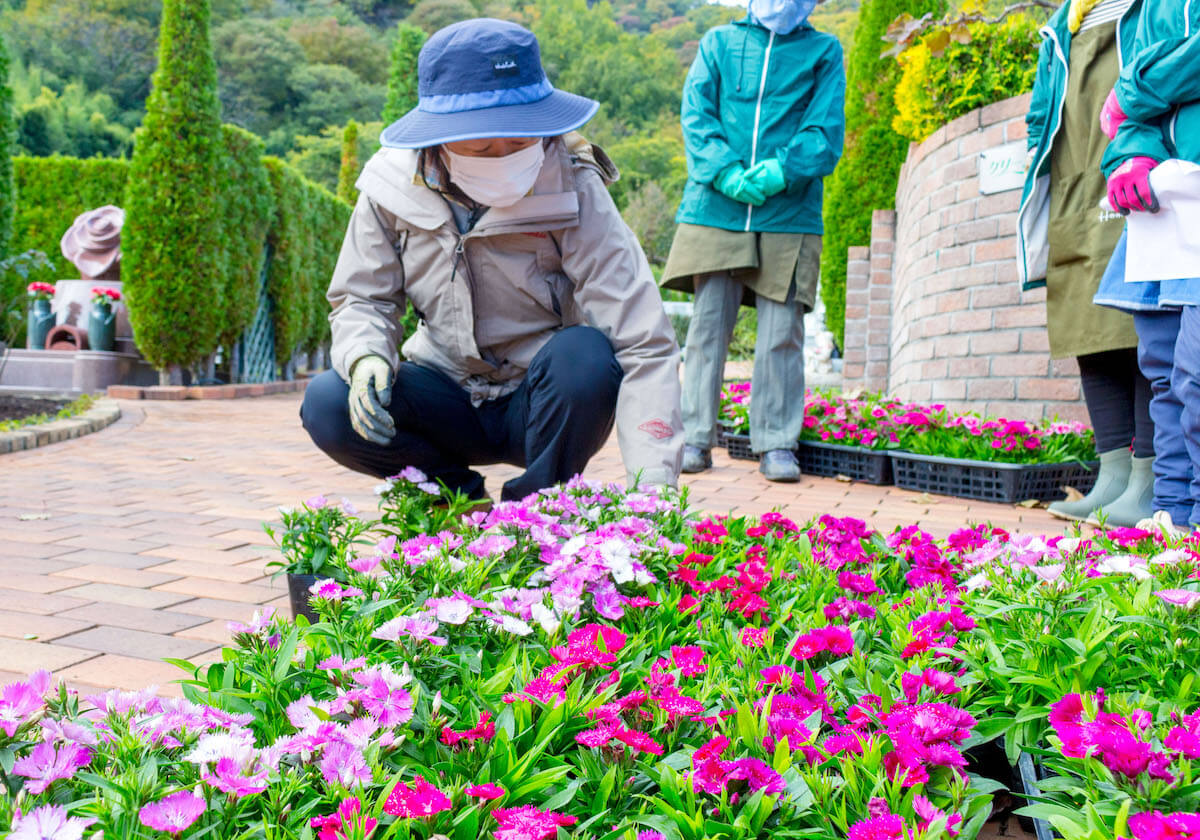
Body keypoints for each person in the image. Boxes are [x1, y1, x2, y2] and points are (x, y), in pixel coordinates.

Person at [300, 18, 683, 502]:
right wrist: (365, 356)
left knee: (585, 356)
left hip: (541, 402)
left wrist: (654, 486)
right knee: (329, 403)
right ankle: (455, 496)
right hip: (446, 390)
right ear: (437, 136)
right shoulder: (389, 187)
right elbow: (361, 296)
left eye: (521, 140)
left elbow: (642, 339)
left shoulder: (574, 183)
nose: (504, 155)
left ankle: (536, 512)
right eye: (482, 145)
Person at [659, 0, 845, 482]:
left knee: (783, 329)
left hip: (789, 206)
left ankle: (777, 443)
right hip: (717, 204)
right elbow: (697, 113)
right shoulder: (718, 42)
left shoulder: (825, 51)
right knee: (707, 324)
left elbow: (824, 129)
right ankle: (695, 437)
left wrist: (785, 169)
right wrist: (724, 170)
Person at [1018, 0, 1156, 526]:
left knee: (1138, 324)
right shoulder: (1060, 27)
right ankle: (1112, 476)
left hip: (1130, 172)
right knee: (1085, 330)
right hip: (1074, 188)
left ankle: (1146, 479)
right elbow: (1042, 110)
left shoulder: (1148, 9)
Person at [1093, 0, 1200, 530]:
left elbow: (1126, 98)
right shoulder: (1139, 11)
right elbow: (1124, 122)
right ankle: (1173, 515)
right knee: (1163, 372)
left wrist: (1133, 87)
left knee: (1197, 371)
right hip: (1164, 205)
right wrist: (1130, 153)